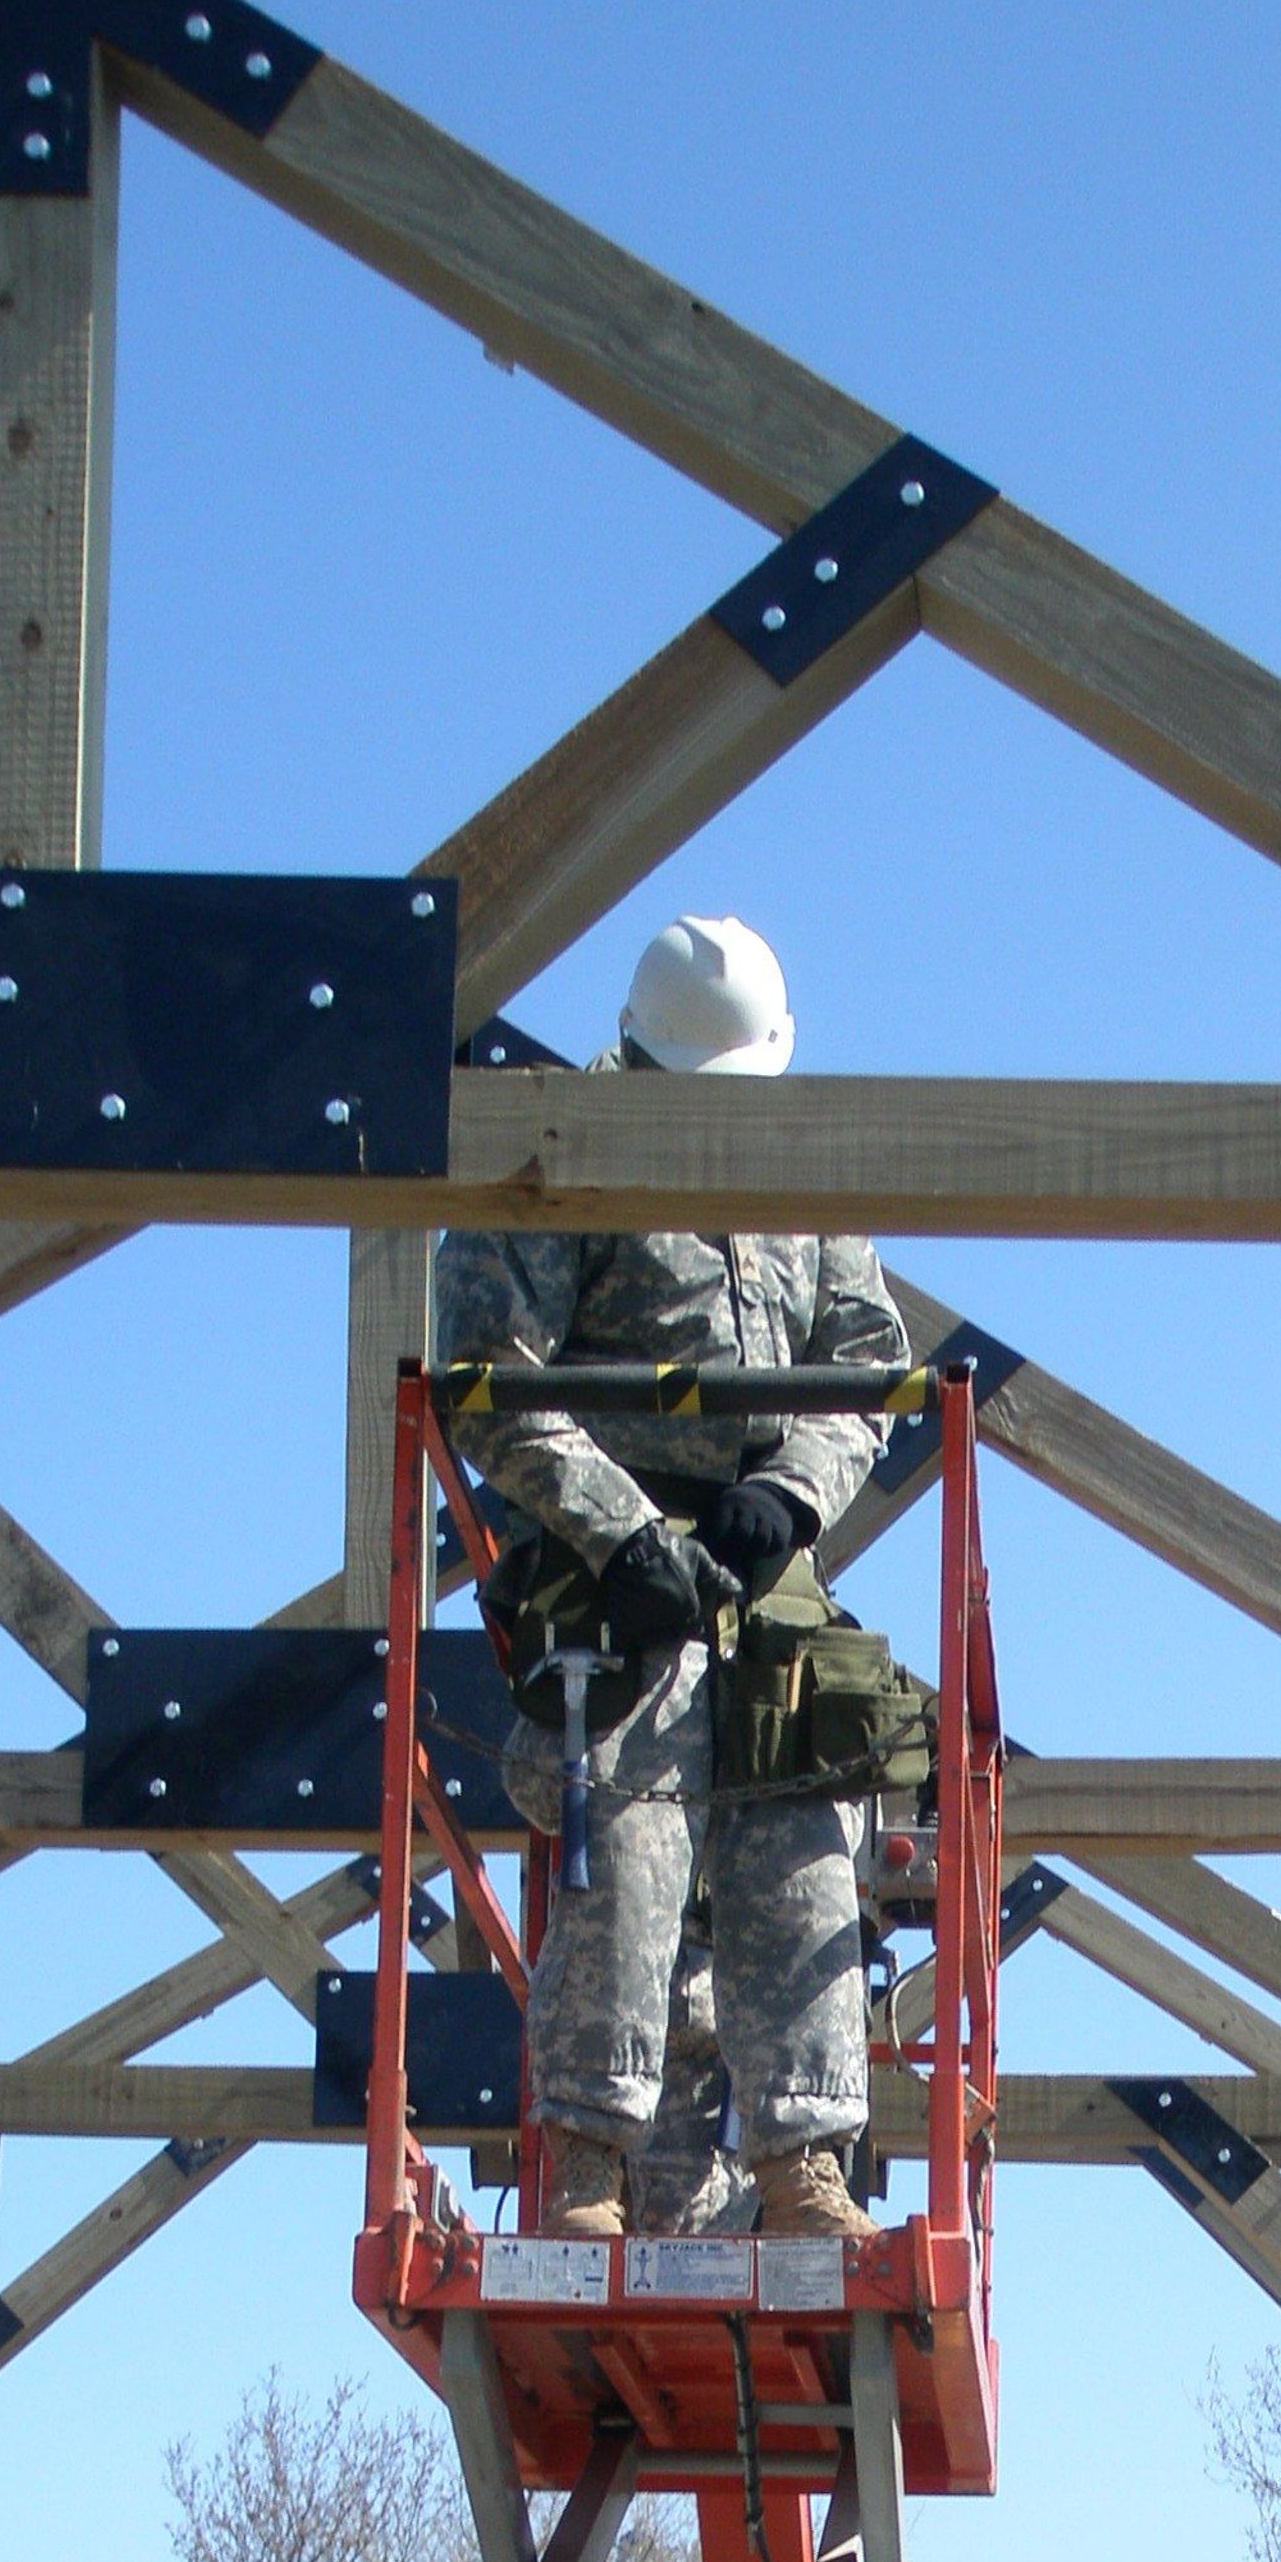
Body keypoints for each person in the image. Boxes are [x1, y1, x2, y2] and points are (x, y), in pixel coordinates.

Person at [431, 910, 915, 2248]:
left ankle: (805, 2170)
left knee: (803, 1837)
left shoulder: (806, 1189)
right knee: (626, 1832)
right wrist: (618, 1528)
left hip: (761, 1575)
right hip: (610, 1583)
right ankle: (589, 2158)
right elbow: (490, 1382)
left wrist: (792, 1493)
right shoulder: (556, 1159)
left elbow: (869, 1367)